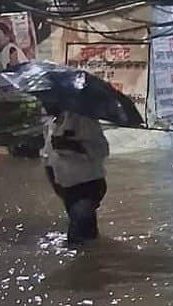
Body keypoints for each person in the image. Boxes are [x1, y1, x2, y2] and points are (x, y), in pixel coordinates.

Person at [42, 102, 109, 245]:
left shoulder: (83, 118)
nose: (44, 104)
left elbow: (102, 150)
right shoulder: (51, 123)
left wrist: (73, 146)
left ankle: (86, 265)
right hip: (66, 187)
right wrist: (56, 185)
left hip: (87, 185)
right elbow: (48, 157)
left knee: (77, 240)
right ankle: (97, 261)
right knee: (87, 234)